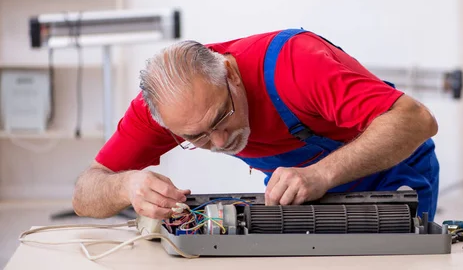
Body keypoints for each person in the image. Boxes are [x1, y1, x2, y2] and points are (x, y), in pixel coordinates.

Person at [72, 29, 440, 221]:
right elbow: (85, 193)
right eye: (195, 137)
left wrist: (319, 175)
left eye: (221, 118)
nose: (219, 141)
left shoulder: (297, 66)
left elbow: (417, 120)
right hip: (299, 192)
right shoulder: (163, 106)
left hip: (392, 174)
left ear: (231, 74)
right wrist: (127, 185)